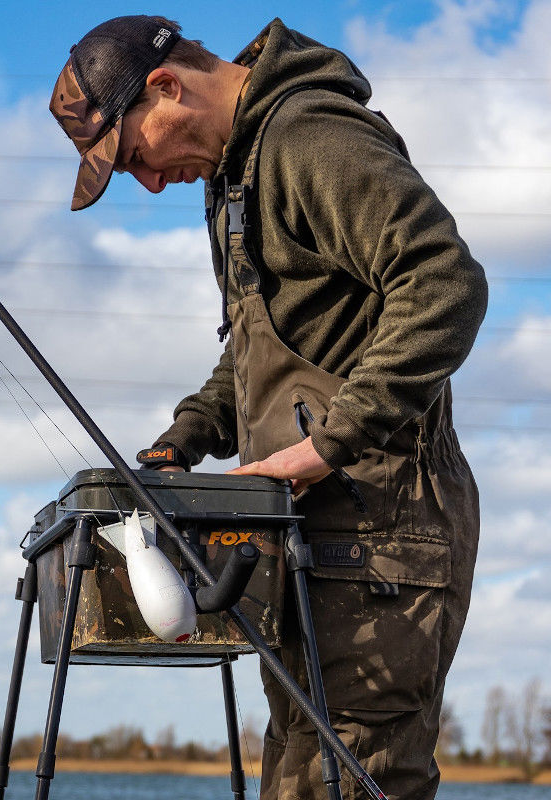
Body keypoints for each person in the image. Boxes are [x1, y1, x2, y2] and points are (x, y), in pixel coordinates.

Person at [50, 15, 487, 800]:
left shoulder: (306, 136)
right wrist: (182, 442)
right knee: (297, 780)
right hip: (314, 539)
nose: (148, 181)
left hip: (381, 532)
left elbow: (445, 282)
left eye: (137, 155)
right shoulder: (238, 170)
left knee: (351, 780)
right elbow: (259, 345)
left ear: (165, 87)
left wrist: (330, 444)